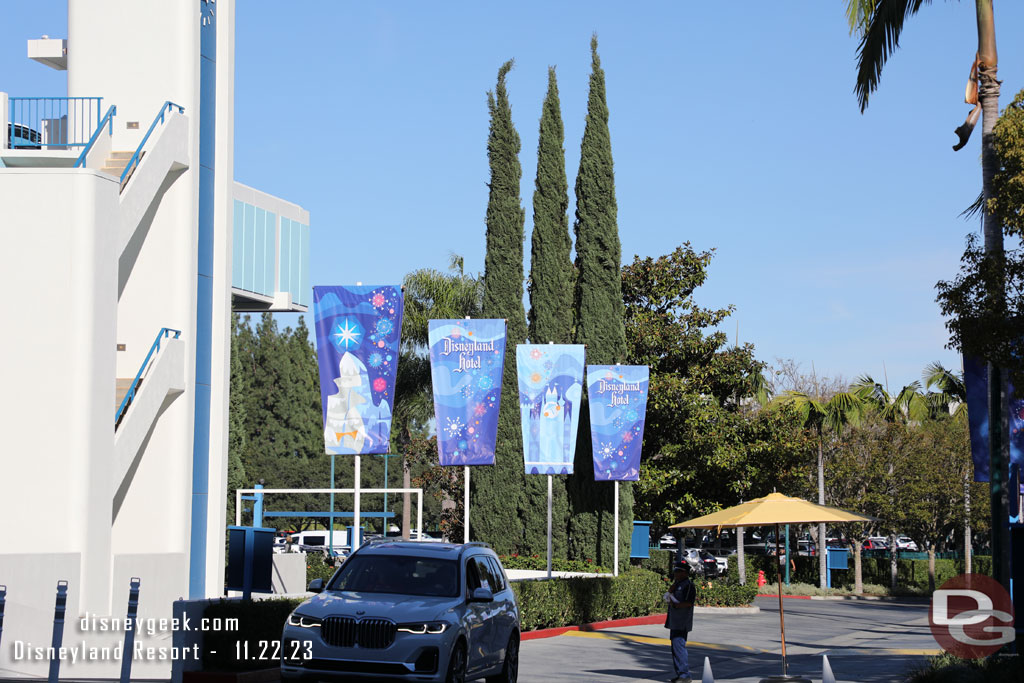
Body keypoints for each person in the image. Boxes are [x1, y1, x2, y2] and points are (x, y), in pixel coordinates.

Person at [664, 562, 697, 683]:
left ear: (684, 573)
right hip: (674, 621)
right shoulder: (677, 584)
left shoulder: (688, 586)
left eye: (678, 571)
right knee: (675, 648)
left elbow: (689, 602)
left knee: (679, 648)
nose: (675, 574)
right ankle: (680, 674)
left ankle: (685, 675)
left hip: (682, 621)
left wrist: (677, 605)